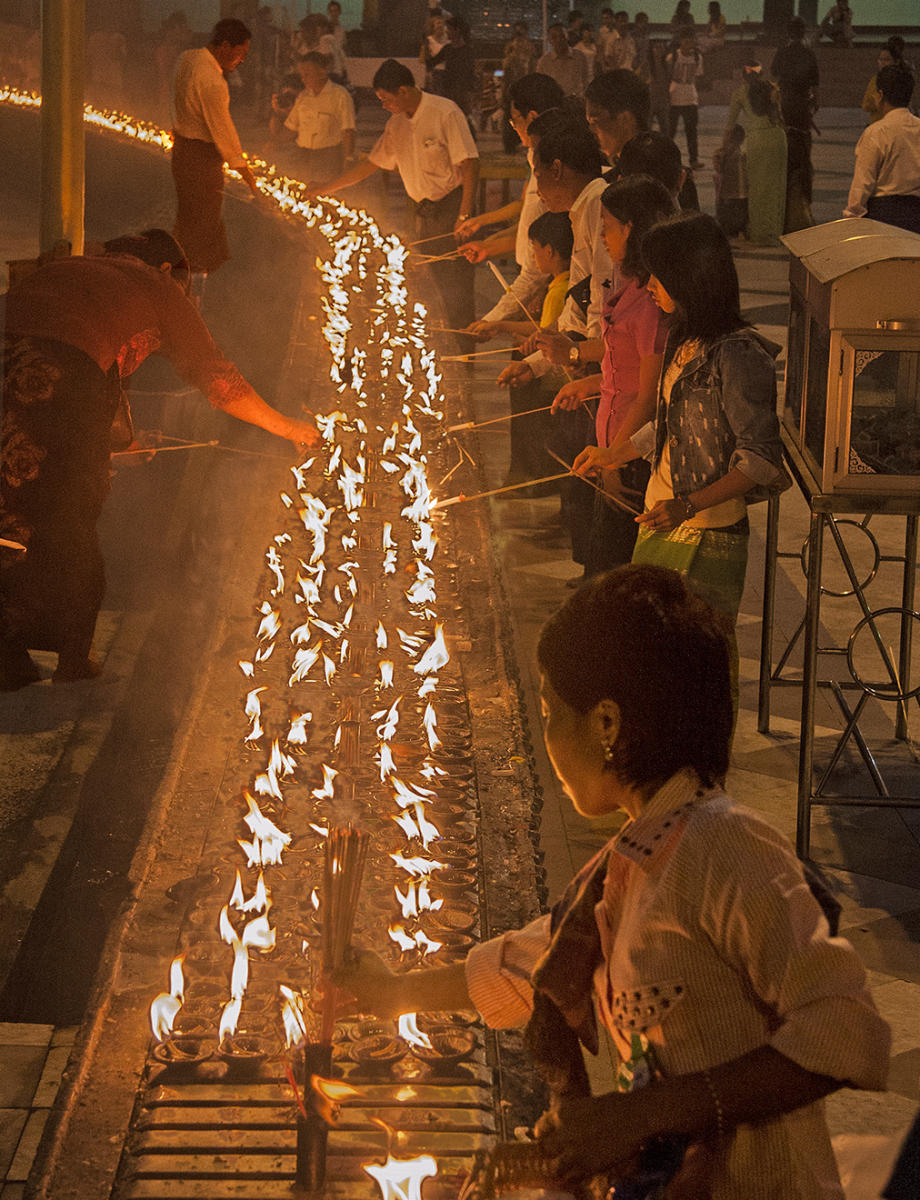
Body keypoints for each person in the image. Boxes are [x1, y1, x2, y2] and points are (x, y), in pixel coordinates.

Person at [336, 562, 890, 1200]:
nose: (546, 736)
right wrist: (389, 994)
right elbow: (535, 962)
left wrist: (639, 1115)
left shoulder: (724, 847)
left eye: (550, 711)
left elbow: (847, 1028)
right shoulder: (639, 856)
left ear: (606, 724)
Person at [0, 230, 321, 692]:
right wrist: (288, 427)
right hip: (57, 371)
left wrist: (114, 445)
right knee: (69, 511)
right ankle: (73, 656)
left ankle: (7, 655)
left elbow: (96, 366)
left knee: (7, 502)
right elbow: (219, 380)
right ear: (171, 271)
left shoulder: (77, 269)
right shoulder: (158, 286)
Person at [574, 213, 789, 631]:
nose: (648, 286)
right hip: (661, 515)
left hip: (707, 531)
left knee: (693, 651)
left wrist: (688, 505)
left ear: (690, 277)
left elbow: (759, 459)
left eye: (658, 276)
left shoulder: (737, 356)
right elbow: (673, 423)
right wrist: (614, 453)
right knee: (650, 647)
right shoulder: (685, 339)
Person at [550, 177, 673, 578]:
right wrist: (587, 384)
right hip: (610, 446)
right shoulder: (627, 284)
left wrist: (615, 459)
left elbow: (648, 394)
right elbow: (621, 363)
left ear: (631, 228)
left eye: (608, 226)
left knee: (612, 571)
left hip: (630, 456)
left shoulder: (652, 302)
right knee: (600, 564)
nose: (602, 236)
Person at [311, 59, 479, 331]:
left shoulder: (444, 112)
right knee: (429, 281)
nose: (383, 105)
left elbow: (470, 163)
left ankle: (464, 349)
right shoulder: (396, 124)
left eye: (385, 99)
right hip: (423, 211)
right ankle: (437, 343)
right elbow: (372, 164)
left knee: (456, 284)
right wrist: (325, 188)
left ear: (403, 91)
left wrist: (464, 214)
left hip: (452, 208)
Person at [171, 18, 260, 283]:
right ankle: (193, 285)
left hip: (182, 151)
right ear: (224, 46)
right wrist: (248, 177)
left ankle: (179, 276)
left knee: (188, 216)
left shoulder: (187, 58)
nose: (241, 60)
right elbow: (224, 134)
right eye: (240, 53)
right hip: (201, 158)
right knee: (203, 222)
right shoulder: (212, 82)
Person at [844, 65, 920, 233]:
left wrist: (852, 217)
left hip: (884, 215)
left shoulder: (876, 132)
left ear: (881, 95)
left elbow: (863, 182)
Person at [269, 52, 355, 185]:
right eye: (302, 75)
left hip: (328, 157)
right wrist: (275, 142)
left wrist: (348, 159)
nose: (303, 79)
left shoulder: (340, 96)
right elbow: (291, 128)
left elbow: (348, 130)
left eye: (307, 74)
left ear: (322, 73)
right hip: (303, 156)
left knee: (325, 196)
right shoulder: (303, 97)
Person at [741, 77, 787, 245]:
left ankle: (758, 230)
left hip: (757, 139)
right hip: (775, 139)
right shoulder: (775, 116)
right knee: (776, 187)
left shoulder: (752, 115)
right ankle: (772, 232)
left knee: (756, 187)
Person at [666, 30, 704, 169]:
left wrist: (696, 95)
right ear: (681, 41)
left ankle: (693, 159)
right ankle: (667, 159)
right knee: (671, 131)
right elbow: (667, 75)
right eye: (685, 41)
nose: (688, 44)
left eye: (691, 41)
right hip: (675, 96)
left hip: (690, 97)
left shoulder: (698, 57)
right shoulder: (673, 57)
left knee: (691, 131)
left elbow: (698, 76)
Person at [425, 15, 476, 116]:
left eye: (449, 29)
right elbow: (432, 62)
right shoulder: (448, 48)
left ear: (457, 30)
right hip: (448, 90)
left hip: (461, 92)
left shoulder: (467, 51)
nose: (446, 31)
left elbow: (468, 73)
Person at [500, 22, 537, 152]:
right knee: (511, 117)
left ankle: (523, 141)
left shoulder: (529, 50)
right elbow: (507, 75)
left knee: (525, 117)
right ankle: (510, 144)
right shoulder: (511, 55)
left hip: (525, 89)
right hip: (513, 90)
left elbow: (532, 69)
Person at [536, 22, 590, 99]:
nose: (559, 40)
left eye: (562, 36)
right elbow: (541, 86)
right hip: (555, 104)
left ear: (567, 36)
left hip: (577, 103)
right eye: (554, 37)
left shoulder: (580, 56)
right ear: (549, 40)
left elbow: (585, 81)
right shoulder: (544, 62)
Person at [862, 40, 910, 124]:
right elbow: (866, 105)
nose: (882, 63)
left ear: (896, 61)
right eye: (880, 59)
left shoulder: (903, 80)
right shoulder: (875, 80)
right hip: (877, 124)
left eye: (887, 60)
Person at [714, 124, 748, 237]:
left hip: (727, 194)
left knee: (728, 220)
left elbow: (718, 169)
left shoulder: (723, 153)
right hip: (743, 194)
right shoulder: (744, 153)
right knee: (740, 216)